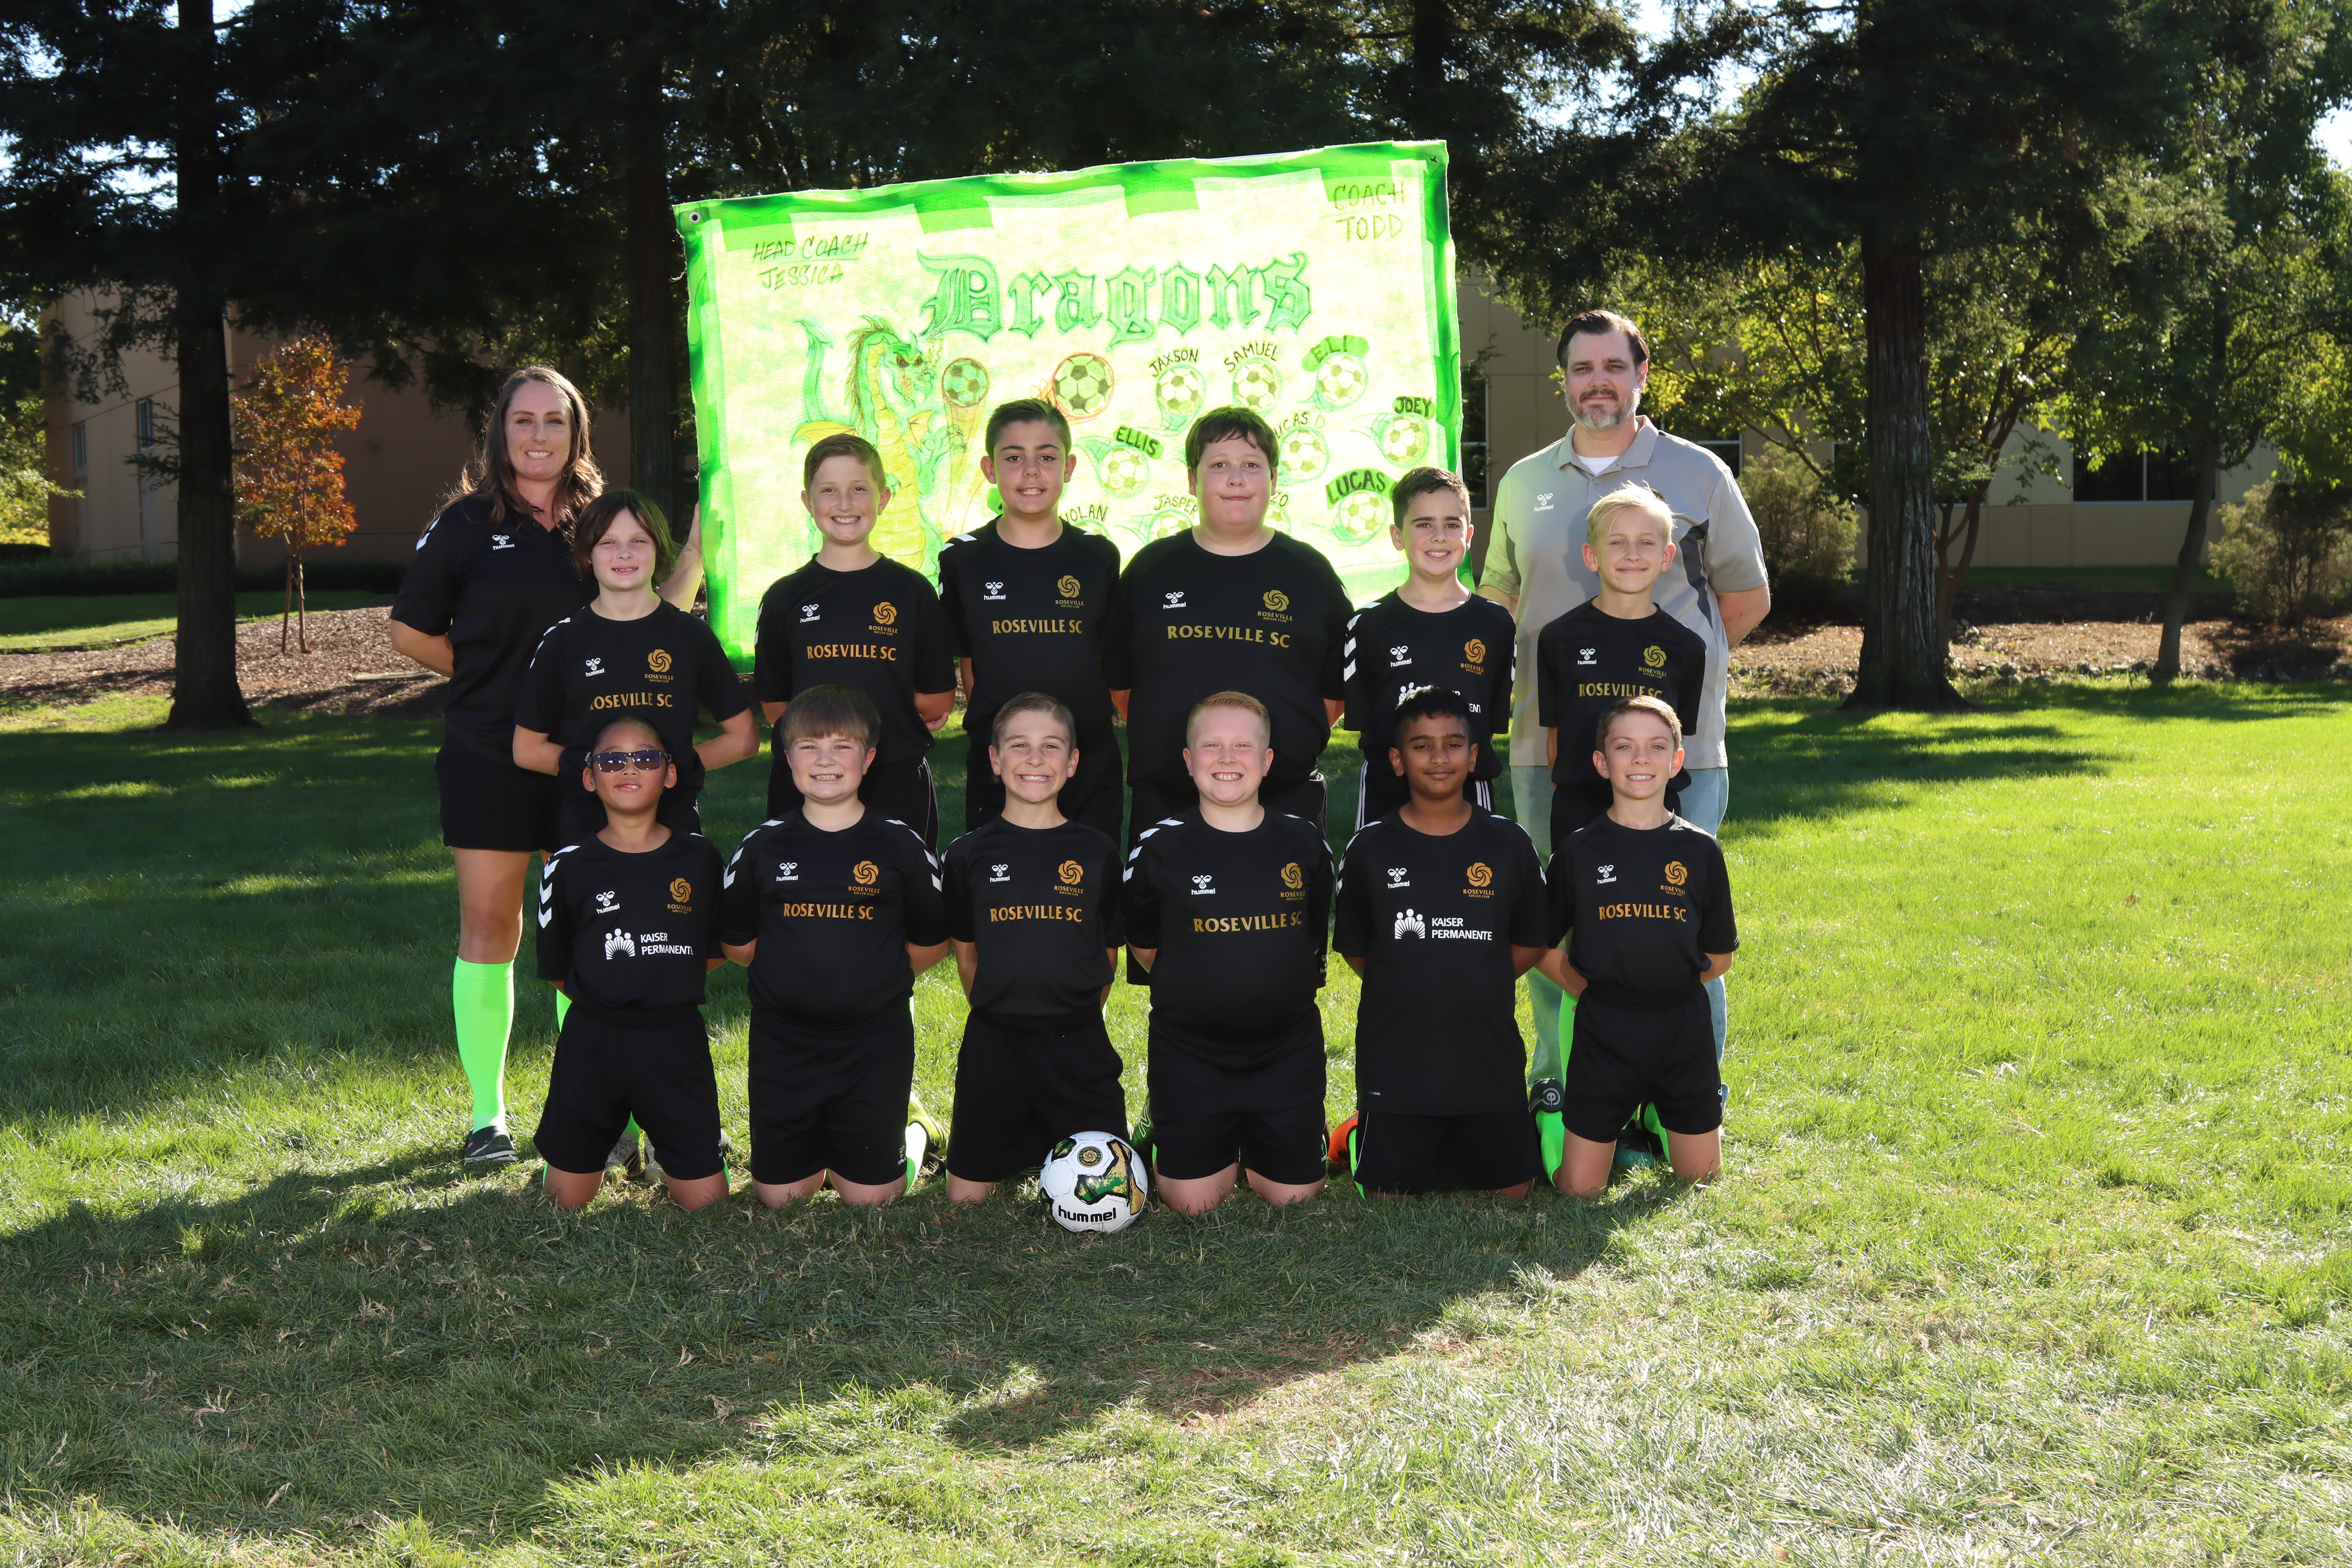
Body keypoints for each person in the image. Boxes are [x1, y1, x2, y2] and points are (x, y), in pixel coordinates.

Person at [389, 366, 707, 1168]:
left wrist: (701, 550)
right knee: (490, 927)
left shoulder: (603, 520)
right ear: (500, 431)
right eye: (523, 420)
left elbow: (655, 612)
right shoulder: (465, 524)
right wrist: (491, 678)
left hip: (590, 764)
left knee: (596, 929)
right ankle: (487, 1119)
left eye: (555, 421)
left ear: (577, 433)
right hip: (488, 756)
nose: (538, 436)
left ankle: (603, 1115)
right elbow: (410, 631)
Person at [1480, 309, 1769, 1080]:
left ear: (1642, 376)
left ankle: (1688, 1092)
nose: (1598, 382)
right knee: (1556, 923)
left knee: (1678, 922)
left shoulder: (1699, 473)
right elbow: (1499, 597)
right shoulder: (1523, 481)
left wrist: (1672, 684)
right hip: (1549, 749)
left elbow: (1745, 599)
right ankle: (1559, 1081)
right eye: (1582, 369)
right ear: (1564, 382)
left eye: (1614, 366)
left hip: (1678, 755)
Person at [720, 686, 951, 1208]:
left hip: (875, 1042)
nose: (825, 760)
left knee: (872, 1200)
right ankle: (822, 1152)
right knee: (781, 1198)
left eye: (842, 746)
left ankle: (919, 1131)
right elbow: (739, 943)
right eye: (809, 746)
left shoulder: (900, 844)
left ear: (868, 759)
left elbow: (930, 943)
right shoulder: (762, 846)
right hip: (783, 1042)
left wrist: (871, 980)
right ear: (788, 759)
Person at [1103, 405, 1350, 855]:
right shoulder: (1152, 569)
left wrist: (1288, 744)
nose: (1236, 479)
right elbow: (1122, 685)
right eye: (1219, 465)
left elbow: (1335, 690)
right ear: (1192, 480)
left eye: (1251, 466)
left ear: (1273, 480)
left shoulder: (1309, 573)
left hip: (1284, 796)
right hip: (1168, 797)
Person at [1332, 687, 1549, 1198]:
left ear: (1473, 757)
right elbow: (1359, 949)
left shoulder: (1509, 843)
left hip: (1487, 1061)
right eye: (1422, 745)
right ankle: (1361, 1131)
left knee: (1512, 1192)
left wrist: (1479, 972)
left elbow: (1533, 940)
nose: (1438, 757)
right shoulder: (1369, 848)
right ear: (1397, 760)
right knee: (1388, 1196)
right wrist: (1411, 973)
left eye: (1453, 744)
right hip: (1398, 1064)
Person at [1122, 692, 1334, 1215]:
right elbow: (1145, 941)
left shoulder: (1304, 843)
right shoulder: (1158, 848)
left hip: (1285, 1050)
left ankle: (1276, 1130)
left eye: (1243, 745)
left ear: (1267, 760)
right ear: (1188, 760)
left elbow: (1311, 933)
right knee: (1190, 1203)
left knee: (1295, 1197)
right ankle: (1172, 1121)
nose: (1226, 758)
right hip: (1191, 1053)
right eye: (1211, 745)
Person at [1537, 696, 1737, 1197]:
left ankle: (1655, 1111)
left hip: (1682, 1027)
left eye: (1657, 747)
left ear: (1676, 761)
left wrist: (1666, 986)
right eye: (1624, 747)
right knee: (1580, 1191)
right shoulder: (1578, 851)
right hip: (1605, 1028)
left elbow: (1720, 956)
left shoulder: (1701, 850)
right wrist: (1589, 989)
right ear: (1602, 762)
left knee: (1702, 1180)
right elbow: (1538, 945)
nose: (1641, 758)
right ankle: (1549, 1118)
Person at [533, 717, 729, 1212]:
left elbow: (713, 949)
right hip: (592, 1041)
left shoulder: (701, 858)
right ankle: (597, 1145)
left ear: (670, 774)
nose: (629, 768)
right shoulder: (567, 864)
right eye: (612, 760)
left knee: (706, 1203)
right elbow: (557, 966)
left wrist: (659, 979)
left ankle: (674, 1145)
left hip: (675, 1039)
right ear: (589, 777)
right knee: (563, 1202)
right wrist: (613, 990)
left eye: (645, 757)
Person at [938, 692, 1127, 1204]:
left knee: (1111, 1196)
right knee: (964, 1200)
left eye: (1052, 746)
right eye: (1019, 745)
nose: (1036, 759)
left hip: (1079, 1046)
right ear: (995, 759)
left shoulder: (1097, 851)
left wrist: (1074, 1011)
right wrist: (1003, 1007)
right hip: (994, 1046)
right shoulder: (967, 855)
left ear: (1073, 762)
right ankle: (927, 1131)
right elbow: (967, 954)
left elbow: (1107, 953)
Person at [514, 489, 759, 849]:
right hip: (586, 827)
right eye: (608, 542)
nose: (624, 553)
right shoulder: (563, 642)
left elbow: (744, 739)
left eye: (639, 541)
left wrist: (665, 769)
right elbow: (527, 750)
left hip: (673, 821)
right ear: (587, 554)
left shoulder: (690, 636)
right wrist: (599, 770)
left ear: (659, 548)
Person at [753, 433, 956, 850]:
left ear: (883, 499)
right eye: (829, 490)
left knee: (902, 885)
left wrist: (882, 717)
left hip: (895, 776)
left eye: (859, 489)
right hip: (810, 779)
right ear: (808, 502)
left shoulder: (912, 592)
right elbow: (776, 705)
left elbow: (938, 701)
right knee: (804, 885)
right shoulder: (784, 597)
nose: (844, 503)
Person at [937, 400, 1123, 839]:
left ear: (1069, 467)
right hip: (1002, 761)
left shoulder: (1097, 556)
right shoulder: (963, 558)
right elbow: (969, 660)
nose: (1032, 471)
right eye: (1014, 457)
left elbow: (1102, 655)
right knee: (999, 872)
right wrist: (999, 736)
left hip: (1087, 757)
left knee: (1091, 873)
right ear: (990, 469)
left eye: (1047, 456)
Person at [1536, 485, 1708, 853]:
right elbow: (1556, 737)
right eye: (1617, 542)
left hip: (1655, 813)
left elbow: (1677, 742)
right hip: (1577, 811)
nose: (1633, 554)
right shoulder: (1559, 638)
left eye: (1646, 542)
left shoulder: (1686, 647)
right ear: (1591, 556)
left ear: (1666, 556)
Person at [1342, 466, 1515, 828]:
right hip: (1387, 795)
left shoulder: (1496, 623)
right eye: (1423, 524)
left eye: (1452, 524)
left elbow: (1490, 723)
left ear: (1469, 535)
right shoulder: (1367, 624)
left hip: (1468, 793)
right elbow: (1367, 723)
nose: (1439, 536)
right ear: (1398, 536)